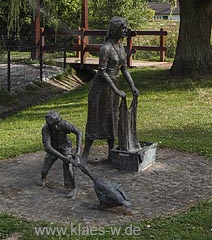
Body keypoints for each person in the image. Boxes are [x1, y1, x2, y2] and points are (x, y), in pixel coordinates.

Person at [81, 16, 139, 163]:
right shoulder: (106, 48)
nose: (126, 31)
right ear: (115, 30)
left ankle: (111, 154)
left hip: (114, 86)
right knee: (96, 118)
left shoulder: (120, 48)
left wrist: (132, 87)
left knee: (112, 118)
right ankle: (85, 155)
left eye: (126, 28)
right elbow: (102, 72)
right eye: (123, 28)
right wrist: (116, 90)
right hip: (101, 89)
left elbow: (124, 69)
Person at [40, 110, 82, 197]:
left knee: (69, 167)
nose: (55, 127)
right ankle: (43, 178)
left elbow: (79, 132)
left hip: (65, 146)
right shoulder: (46, 129)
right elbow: (48, 148)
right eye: (53, 125)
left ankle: (71, 187)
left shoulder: (64, 124)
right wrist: (63, 158)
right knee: (44, 171)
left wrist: (77, 153)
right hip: (53, 148)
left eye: (56, 124)